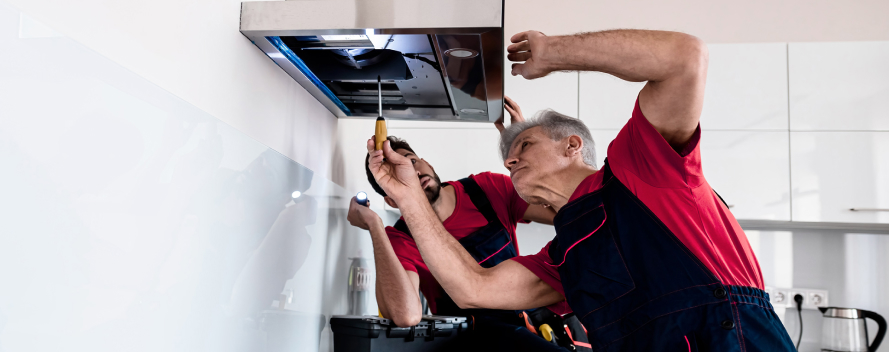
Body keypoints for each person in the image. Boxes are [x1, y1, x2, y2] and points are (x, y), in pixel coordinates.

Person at [364, 29, 796, 351]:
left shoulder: (640, 167)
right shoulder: (564, 259)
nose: (510, 161)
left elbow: (686, 58)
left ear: (573, 145)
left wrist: (552, 53)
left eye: (524, 147)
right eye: (509, 157)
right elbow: (473, 288)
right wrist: (408, 199)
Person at [346, 97, 589, 351]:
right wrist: (375, 227)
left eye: (411, 160)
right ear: (391, 200)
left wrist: (526, 154)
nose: (413, 171)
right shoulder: (403, 237)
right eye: (397, 172)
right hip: (474, 339)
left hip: (524, 321)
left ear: (426, 161)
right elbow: (406, 315)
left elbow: (569, 212)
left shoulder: (485, 189)